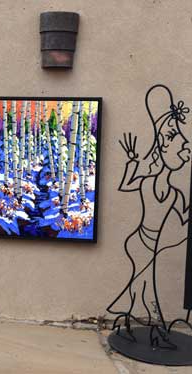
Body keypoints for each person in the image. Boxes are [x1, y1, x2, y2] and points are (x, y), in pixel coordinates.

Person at [107, 84, 191, 347]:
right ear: (163, 146)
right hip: (141, 243)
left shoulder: (176, 194)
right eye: (175, 139)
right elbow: (125, 184)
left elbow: (182, 222)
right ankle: (159, 330)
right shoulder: (148, 182)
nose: (184, 145)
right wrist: (133, 161)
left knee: (138, 289)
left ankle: (130, 324)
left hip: (151, 246)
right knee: (148, 289)